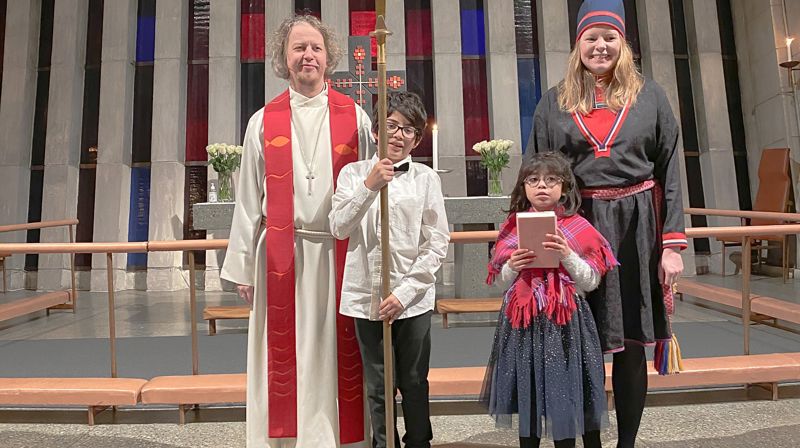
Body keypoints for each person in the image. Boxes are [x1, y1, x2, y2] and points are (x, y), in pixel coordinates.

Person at [525, 1, 687, 446]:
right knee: (581, 343)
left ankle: (627, 443)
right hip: (578, 231)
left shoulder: (651, 96)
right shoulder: (553, 102)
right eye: (591, 38)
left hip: (639, 232)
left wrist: (671, 246)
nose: (600, 46)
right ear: (578, 45)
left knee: (632, 345)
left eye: (609, 37)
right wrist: (538, 246)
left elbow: (671, 169)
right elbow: (537, 172)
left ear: (623, 43)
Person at [220, 14, 373, 448]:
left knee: (332, 353)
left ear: (329, 58)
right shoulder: (262, 122)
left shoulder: (355, 116)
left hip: (337, 254)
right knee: (285, 356)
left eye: (316, 48)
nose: (308, 55)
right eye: (298, 48)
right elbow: (248, 199)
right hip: (281, 257)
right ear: (283, 59)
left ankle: (335, 438)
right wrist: (243, 267)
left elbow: (369, 191)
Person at [330, 91, 449, 448]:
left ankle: (419, 442)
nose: (398, 135)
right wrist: (370, 186)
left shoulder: (426, 178)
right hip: (366, 295)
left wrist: (404, 293)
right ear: (376, 130)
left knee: (413, 380)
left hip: (412, 299)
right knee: (378, 383)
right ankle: (384, 444)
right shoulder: (353, 174)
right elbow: (338, 227)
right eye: (391, 126)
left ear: (417, 138)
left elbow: (437, 241)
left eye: (408, 130)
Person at [482, 152, 617, 448]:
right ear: (523, 187)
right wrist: (513, 265)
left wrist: (566, 255)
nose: (542, 186)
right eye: (533, 180)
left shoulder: (579, 227)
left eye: (551, 179)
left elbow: (590, 281)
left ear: (564, 188)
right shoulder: (512, 227)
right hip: (524, 325)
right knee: (528, 393)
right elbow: (501, 282)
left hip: (567, 324)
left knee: (567, 395)